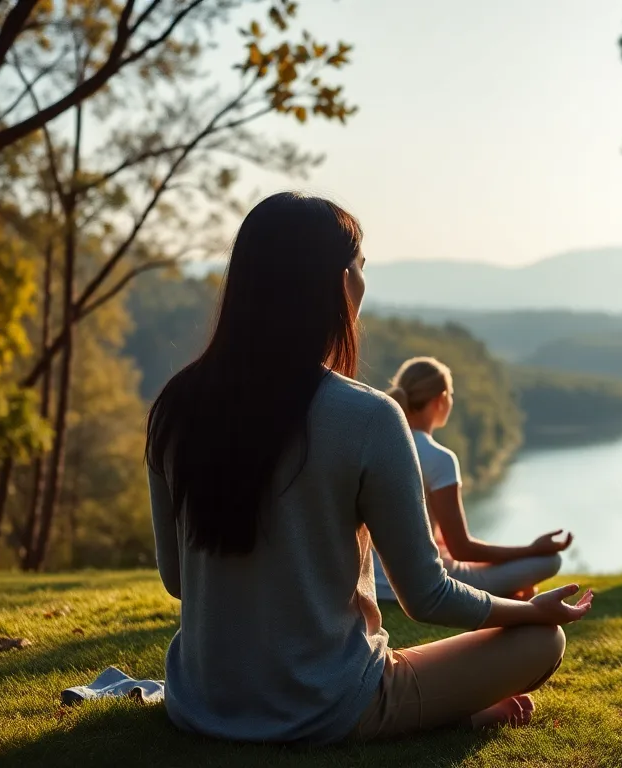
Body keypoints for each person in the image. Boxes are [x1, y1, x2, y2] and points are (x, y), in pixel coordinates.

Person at [145, 191, 594, 745]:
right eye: (360, 267)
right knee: (542, 642)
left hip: (201, 702)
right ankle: (446, 716)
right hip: (325, 705)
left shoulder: (174, 406)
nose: (363, 282)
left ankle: (438, 709)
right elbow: (426, 596)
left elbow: (176, 580)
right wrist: (525, 612)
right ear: (339, 284)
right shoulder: (367, 416)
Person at [371, 357, 570, 602]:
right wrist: (532, 550)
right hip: (425, 584)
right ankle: (508, 593)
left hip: (373, 583)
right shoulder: (439, 458)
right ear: (441, 399)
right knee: (550, 561)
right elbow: (462, 549)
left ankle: (508, 593)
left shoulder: (375, 444)